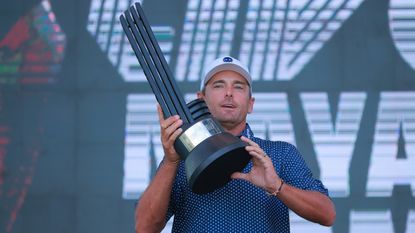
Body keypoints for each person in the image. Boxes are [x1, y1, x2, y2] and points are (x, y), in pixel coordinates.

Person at [135, 56, 336, 232]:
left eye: (238, 87)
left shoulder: (280, 154)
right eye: (218, 85)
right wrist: (170, 162)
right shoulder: (181, 157)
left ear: (251, 103)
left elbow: (327, 214)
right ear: (201, 99)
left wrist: (277, 186)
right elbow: (144, 227)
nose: (229, 93)